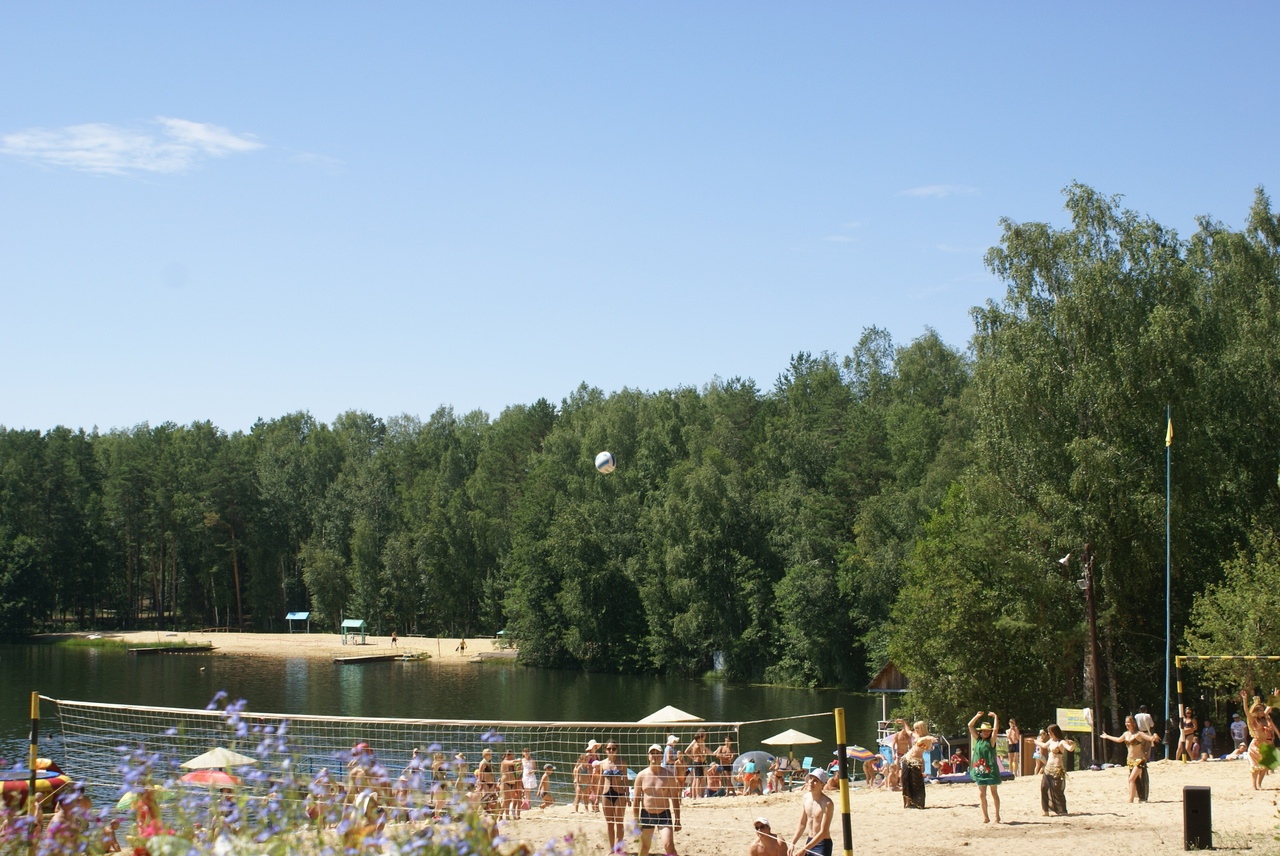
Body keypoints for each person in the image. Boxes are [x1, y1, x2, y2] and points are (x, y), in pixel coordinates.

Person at [633, 744, 681, 856]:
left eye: (657, 753)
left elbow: (675, 799)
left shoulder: (668, 775)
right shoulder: (641, 776)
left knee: (669, 846)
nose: (655, 756)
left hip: (663, 814)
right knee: (644, 848)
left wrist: (677, 819)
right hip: (646, 814)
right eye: (652, 753)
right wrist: (636, 821)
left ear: (661, 756)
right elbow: (636, 801)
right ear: (648, 756)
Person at [1101, 715, 1160, 802]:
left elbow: (1150, 738)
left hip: (1139, 760)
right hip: (1130, 760)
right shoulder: (1125, 734)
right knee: (1134, 780)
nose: (1126, 724)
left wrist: (1154, 736)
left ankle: (1130, 799)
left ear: (1133, 723)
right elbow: (1118, 740)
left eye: (1128, 722)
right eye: (1126, 722)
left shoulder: (1139, 734)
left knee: (1131, 779)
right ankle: (1134, 798)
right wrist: (1107, 736)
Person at [789, 768, 834, 856]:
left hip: (822, 843)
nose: (811, 782)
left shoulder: (827, 803)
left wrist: (804, 849)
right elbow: (802, 824)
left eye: (815, 780)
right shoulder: (806, 798)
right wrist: (792, 843)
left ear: (822, 784)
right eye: (810, 779)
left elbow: (824, 831)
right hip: (810, 840)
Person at [967, 710, 1002, 823]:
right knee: (981, 794)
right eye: (984, 731)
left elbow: (995, 730)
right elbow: (970, 725)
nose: (987, 732)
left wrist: (995, 717)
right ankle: (985, 817)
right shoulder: (978, 740)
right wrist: (977, 716)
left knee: (994, 793)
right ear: (981, 731)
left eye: (988, 731)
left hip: (991, 770)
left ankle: (997, 815)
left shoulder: (991, 741)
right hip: (980, 770)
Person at [1035, 724, 1077, 815]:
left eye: (1050, 732)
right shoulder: (1051, 741)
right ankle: (1045, 810)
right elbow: (1044, 745)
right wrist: (1034, 741)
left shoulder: (1061, 742)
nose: (1048, 733)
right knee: (1044, 788)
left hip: (1057, 769)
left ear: (1054, 732)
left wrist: (1073, 744)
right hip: (1048, 768)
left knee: (1057, 790)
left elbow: (1070, 749)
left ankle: (1062, 810)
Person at [1241, 689, 1279, 790]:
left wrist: (1274, 697)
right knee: (1255, 767)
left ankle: (1259, 784)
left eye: (1262, 710)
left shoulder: (1265, 718)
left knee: (1265, 766)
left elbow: (1269, 707)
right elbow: (1246, 711)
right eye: (1260, 710)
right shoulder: (1253, 720)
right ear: (1256, 711)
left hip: (1267, 745)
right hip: (1256, 745)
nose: (1262, 712)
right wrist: (1245, 700)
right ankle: (1254, 785)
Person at [598, 741, 631, 852]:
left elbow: (625, 780)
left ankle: (618, 848)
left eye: (613, 748)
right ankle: (612, 849)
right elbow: (601, 781)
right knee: (609, 823)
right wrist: (596, 798)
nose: (611, 750)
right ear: (605, 750)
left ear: (617, 750)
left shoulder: (622, 763)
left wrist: (628, 796)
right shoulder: (602, 764)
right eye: (609, 748)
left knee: (619, 822)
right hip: (606, 794)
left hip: (619, 794)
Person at [901, 721, 937, 809]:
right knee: (906, 780)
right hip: (907, 759)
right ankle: (907, 803)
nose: (915, 730)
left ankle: (917, 802)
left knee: (916, 782)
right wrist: (903, 722)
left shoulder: (926, 739)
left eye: (917, 728)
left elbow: (927, 739)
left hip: (916, 761)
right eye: (915, 728)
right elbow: (908, 731)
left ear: (922, 728)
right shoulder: (917, 736)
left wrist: (931, 738)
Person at [686, 729, 709, 799]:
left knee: (700, 779)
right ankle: (694, 795)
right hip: (697, 762)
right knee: (696, 779)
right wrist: (694, 758)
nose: (705, 736)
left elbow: (704, 751)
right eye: (705, 735)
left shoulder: (702, 742)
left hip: (702, 761)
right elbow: (686, 751)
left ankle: (698, 795)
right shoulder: (695, 742)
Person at [499, 748, 520, 819]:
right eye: (512, 755)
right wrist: (519, 760)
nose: (513, 756)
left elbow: (517, 770)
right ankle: (503, 815)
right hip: (505, 782)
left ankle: (504, 815)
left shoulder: (512, 763)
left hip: (512, 783)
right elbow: (513, 761)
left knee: (509, 800)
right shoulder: (504, 762)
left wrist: (519, 766)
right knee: (506, 800)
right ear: (508, 755)